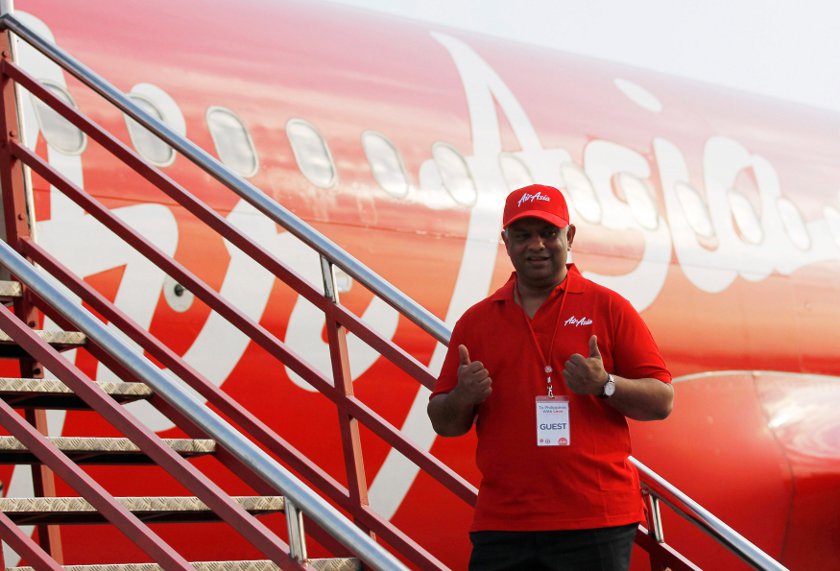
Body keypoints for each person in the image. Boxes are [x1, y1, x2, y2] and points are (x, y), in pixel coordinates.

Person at [427, 183, 674, 571]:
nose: (537, 245)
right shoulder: (476, 321)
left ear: (569, 236)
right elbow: (444, 422)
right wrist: (463, 395)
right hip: (505, 522)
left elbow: (662, 401)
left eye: (549, 233)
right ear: (506, 241)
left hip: (595, 520)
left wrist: (605, 384)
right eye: (523, 236)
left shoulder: (609, 307)